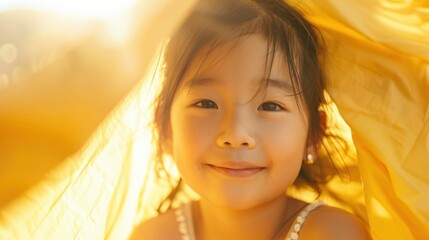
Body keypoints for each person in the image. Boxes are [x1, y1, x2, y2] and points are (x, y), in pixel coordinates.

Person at [131, 0, 371, 239]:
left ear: (312, 136)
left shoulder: (333, 234)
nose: (235, 135)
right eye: (206, 104)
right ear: (166, 128)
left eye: (270, 106)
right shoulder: (153, 235)